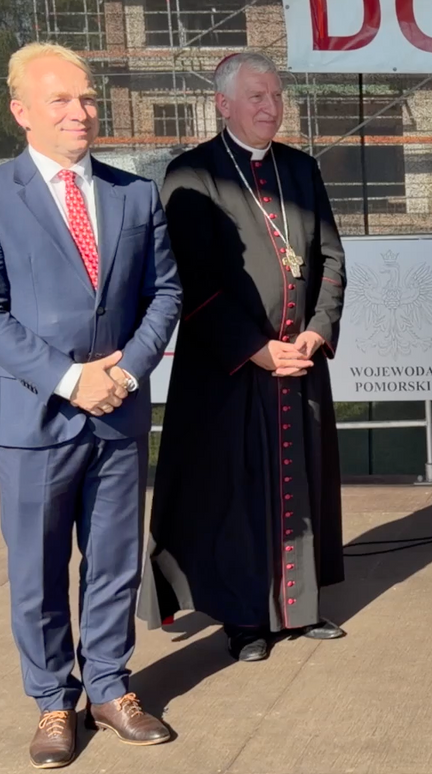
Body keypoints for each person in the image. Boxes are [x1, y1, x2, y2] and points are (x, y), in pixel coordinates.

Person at [0, 42, 180, 768]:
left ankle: (110, 687)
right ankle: (54, 699)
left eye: (87, 98)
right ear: (21, 111)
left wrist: (127, 374)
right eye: (61, 100)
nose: (81, 111)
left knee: (114, 562)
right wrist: (69, 379)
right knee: (39, 570)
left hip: (118, 412)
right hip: (32, 418)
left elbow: (164, 293)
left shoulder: (134, 194)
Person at [141, 52, 348, 662]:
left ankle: (299, 608)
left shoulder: (300, 169)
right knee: (236, 494)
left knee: (300, 486)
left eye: (277, 96)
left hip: (298, 363)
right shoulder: (192, 173)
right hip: (230, 371)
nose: (271, 107)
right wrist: (256, 350)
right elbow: (192, 281)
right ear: (223, 104)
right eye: (257, 96)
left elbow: (331, 258)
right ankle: (245, 619)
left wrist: (317, 330)